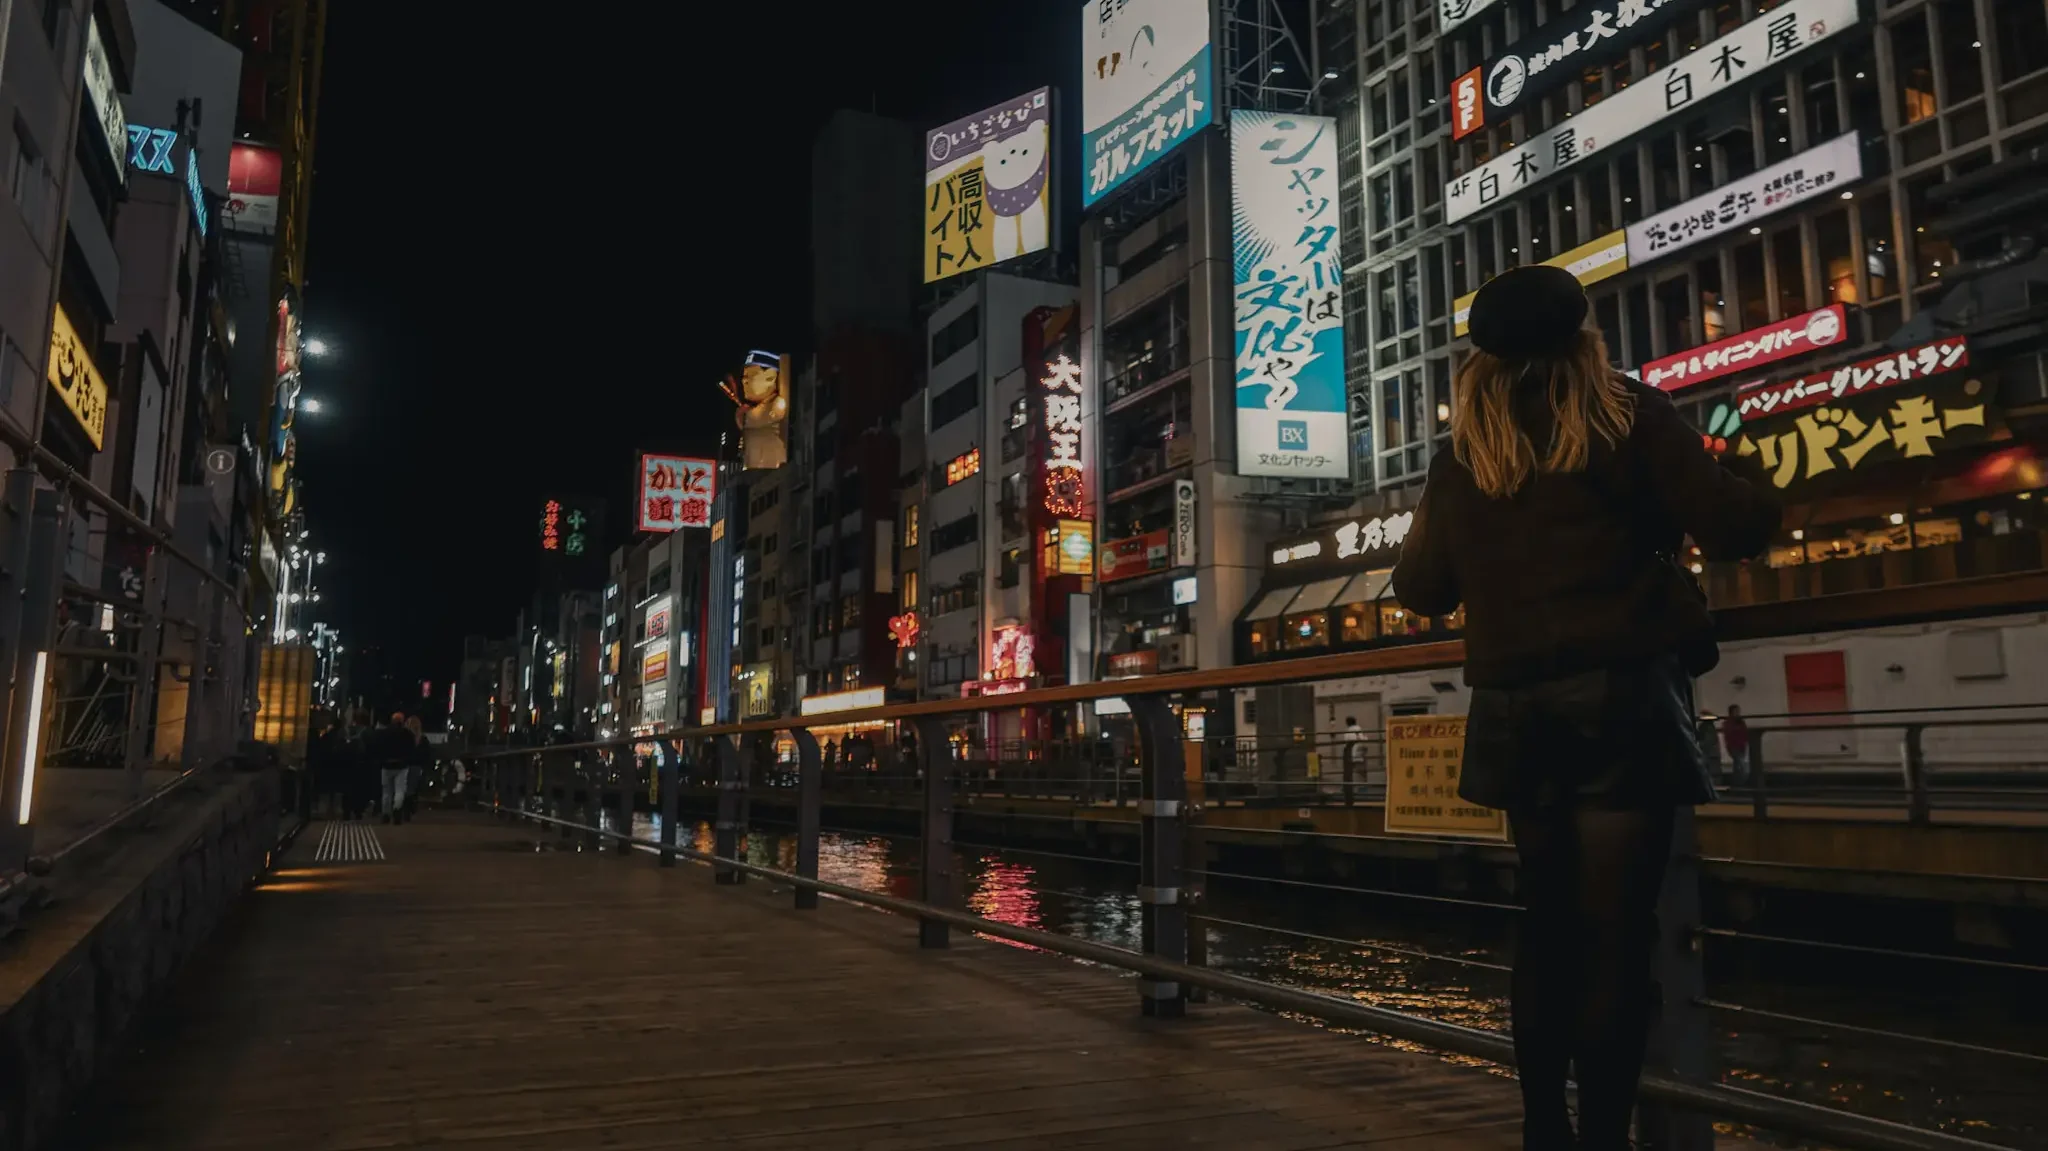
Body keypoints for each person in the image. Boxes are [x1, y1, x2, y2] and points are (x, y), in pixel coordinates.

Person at [1391, 265, 1779, 1151]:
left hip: (1517, 712)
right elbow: (1734, 526)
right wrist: (1744, 460)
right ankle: (1605, 1136)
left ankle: (1542, 1130)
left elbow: (1421, 588)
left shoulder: (1467, 453)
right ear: (1584, 340)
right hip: (1619, 700)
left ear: (1481, 364)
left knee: (1549, 924)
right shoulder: (1628, 416)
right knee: (1617, 936)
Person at [375, 711, 414, 825]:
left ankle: (386, 814)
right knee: (400, 789)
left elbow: (379, 749)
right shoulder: (407, 734)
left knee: (386, 791)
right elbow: (411, 750)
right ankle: (397, 810)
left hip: (386, 765)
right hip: (402, 766)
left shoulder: (384, 733)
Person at [1721, 705, 1751, 786]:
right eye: (1736, 711)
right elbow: (1729, 734)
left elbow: (1745, 733)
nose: (1737, 713)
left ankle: (1737, 784)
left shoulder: (1740, 722)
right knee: (1741, 766)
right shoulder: (1729, 723)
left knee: (1738, 766)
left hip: (1741, 746)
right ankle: (1741, 784)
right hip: (1734, 746)